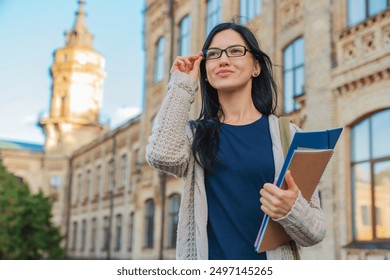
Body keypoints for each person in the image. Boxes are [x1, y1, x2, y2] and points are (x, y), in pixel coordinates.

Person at [146, 21, 326, 260]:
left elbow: (315, 232)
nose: (223, 60)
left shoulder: (290, 136)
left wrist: (292, 209)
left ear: (256, 67)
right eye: (213, 54)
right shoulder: (195, 136)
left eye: (235, 51)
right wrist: (181, 83)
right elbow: (160, 154)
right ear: (206, 72)